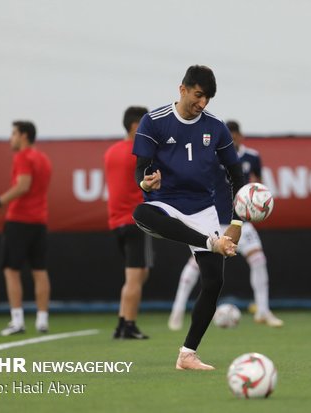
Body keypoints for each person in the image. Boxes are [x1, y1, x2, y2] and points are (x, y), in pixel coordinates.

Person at [131, 65, 245, 370]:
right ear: (183, 89)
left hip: (202, 208)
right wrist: (145, 182)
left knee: (213, 280)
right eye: (198, 95)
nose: (202, 103)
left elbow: (238, 176)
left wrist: (236, 222)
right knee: (141, 212)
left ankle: (187, 354)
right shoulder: (154, 121)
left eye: (207, 98)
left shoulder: (216, 127)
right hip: (165, 204)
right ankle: (210, 241)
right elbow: (141, 169)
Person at [168, 120, 283, 331]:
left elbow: (259, 183)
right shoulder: (211, 157)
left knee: (258, 258)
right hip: (214, 222)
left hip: (240, 223)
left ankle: (263, 311)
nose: (231, 141)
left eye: (234, 136)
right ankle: (177, 310)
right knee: (195, 265)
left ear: (241, 136)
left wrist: (259, 201)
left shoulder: (252, 157)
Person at [0, 121, 52, 336]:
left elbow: (23, 186)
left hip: (19, 221)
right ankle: (42, 320)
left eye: (14, 134)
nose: (11, 138)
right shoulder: (44, 159)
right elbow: (31, 191)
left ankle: (17, 320)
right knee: (40, 271)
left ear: (24, 136)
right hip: (39, 221)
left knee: (11, 271)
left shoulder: (23, 156)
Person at [104, 106, 154, 339]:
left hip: (117, 222)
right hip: (136, 221)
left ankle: (122, 322)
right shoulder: (139, 152)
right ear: (135, 127)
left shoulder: (110, 152)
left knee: (137, 274)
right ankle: (129, 325)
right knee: (136, 276)